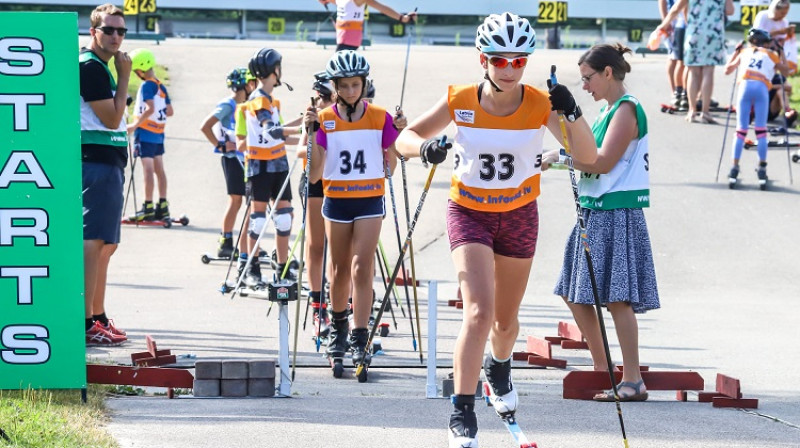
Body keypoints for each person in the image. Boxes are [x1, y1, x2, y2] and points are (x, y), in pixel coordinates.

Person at [395, 13, 597, 447]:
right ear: (482, 59)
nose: (509, 69)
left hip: (519, 215)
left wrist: (572, 109)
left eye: (519, 61)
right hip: (469, 212)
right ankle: (462, 410)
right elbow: (404, 137)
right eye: (499, 60)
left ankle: (499, 366)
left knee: (505, 324)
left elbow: (587, 154)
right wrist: (425, 147)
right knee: (478, 313)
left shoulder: (540, 104)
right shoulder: (461, 99)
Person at [543, 43, 661, 403]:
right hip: (596, 209)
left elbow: (601, 161)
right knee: (572, 291)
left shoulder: (626, 109)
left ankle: (632, 378)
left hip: (616, 211)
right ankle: (604, 368)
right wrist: (552, 112)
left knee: (617, 299)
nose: (585, 86)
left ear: (608, 73)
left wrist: (561, 158)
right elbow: (578, 145)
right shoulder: (606, 111)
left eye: (588, 78)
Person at [303, 50, 400, 374]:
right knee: (339, 268)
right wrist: (310, 132)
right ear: (335, 87)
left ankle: (361, 337)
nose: (349, 91)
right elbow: (315, 174)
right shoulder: (326, 119)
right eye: (343, 86)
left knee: (362, 267)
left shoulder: (380, 117)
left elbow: (391, 166)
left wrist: (396, 135)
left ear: (363, 84)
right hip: (337, 200)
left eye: (355, 85)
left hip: (370, 199)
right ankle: (338, 332)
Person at [80, 3, 131, 346]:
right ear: (93, 31)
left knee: (107, 244)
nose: (116, 37)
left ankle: (97, 315)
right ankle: (85, 320)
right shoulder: (91, 66)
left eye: (121, 31)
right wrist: (125, 74)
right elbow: (112, 119)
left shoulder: (102, 66)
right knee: (94, 241)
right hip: (94, 160)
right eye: (109, 30)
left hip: (109, 160)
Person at [235, 48, 303, 287]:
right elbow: (271, 129)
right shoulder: (258, 99)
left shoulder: (272, 101)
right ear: (274, 70)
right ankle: (250, 267)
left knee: (284, 219)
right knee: (258, 220)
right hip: (260, 166)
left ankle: (282, 267)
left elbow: (280, 135)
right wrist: (300, 129)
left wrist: (306, 124)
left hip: (278, 164)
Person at [200, 68, 257, 260]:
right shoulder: (228, 105)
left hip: (244, 158)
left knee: (249, 201)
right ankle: (226, 241)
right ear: (244, 86)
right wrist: (221, 146)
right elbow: (205, 126)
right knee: (236, 200)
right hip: (232, 159)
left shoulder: (247, 104)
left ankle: (249, 242)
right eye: (250, 84)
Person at [724, 29, 790, 187]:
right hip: (761, 89)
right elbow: (786, 71)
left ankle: (734, 168)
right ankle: (761, 168)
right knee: (761, 130)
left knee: (741, 130)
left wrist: (736, 52)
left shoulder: (745, 52)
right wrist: (781, 53)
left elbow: (727, 70)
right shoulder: (770, 54)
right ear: (766, 43)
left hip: (745, 86)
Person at [658, 0, 734, 123]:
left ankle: (692, 111)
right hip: (713, 32)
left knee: (693, 72)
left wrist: (664, 24)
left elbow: (677, 8)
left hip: (694, 32)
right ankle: (705, 112)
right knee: (708, 72)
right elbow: (730, 11)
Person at [127, 48, 174, 221]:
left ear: (140, 70)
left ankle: (147, 206)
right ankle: (162, 205)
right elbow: (169, 111)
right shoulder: (160, 85)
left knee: (147, 169)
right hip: (158, 133)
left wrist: (133, 125)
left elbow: (150, 108)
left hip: (145, 132)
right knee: (159, 170)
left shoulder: (147, 85)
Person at [317, 0, 417, 51]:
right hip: (342, 39)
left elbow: (382, 8)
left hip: (349, 40)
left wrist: (402, 18)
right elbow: (341, 4)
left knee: (337, 74)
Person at [659, 0, 687, 109]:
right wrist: (665, 19)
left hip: (686, 18)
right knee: (674, 57)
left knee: (685, 61)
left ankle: (688, 93)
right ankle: (675, 92)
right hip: (674, 20)